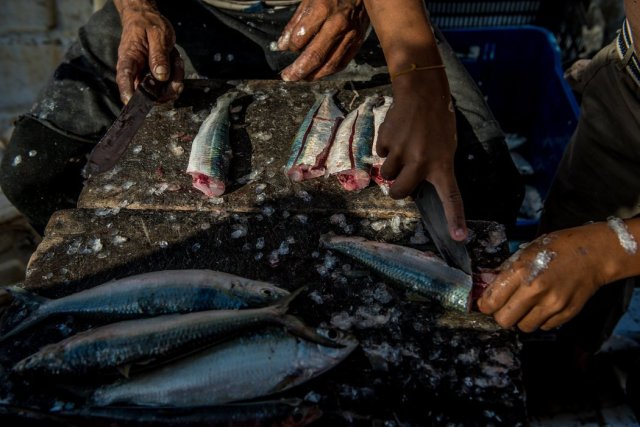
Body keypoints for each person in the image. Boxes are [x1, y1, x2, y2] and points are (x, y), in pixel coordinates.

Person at [0, 0, 522, 237]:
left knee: (486, 182)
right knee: (34, 169)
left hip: (341, 11)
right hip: (184, 12)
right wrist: (137, 10)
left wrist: (421, 79)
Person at [477, 0, 640, 406]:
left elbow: (607, 249)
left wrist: (607, 250)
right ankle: (569, 356)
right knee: (572, 227)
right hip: (631, 76)